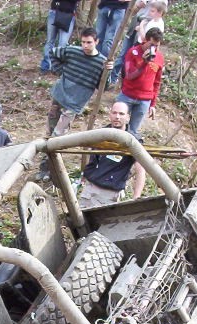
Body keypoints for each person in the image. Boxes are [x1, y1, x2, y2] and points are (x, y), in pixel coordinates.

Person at [38, 27, 111, 180]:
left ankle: (51, 170)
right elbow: (53, 52)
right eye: (83, 42)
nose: (85, 45)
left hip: (74, 104)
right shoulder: (72, 51)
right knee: (50, 132)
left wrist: (108, 72)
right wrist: (60, 70)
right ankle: (44, 169)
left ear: (96, 42)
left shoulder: (101, 62)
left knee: (58, 137)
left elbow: (104, 86)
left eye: (89, 42)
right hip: (59, 96)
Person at [78, 101, 145, 208]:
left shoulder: (133, 141)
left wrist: (136, 197)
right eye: (114, 113)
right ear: (110, 115)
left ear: (128, 117)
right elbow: (92, 158)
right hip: (89, 189)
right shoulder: (101, 134)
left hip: (110, 193)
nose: (117, 117)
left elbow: (140, 169)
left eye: (121, 114)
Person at [117, 27, 164, 137]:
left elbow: (157, 82)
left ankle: (126, 154)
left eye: (157, 45)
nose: (154, 48)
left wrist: (153, 104)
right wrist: (143, 62)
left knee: (133, 132)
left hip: (145, 99)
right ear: (145, 40)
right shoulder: (133, 52)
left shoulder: (160, 58)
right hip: (127, 95)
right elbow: (129, 75)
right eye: (152, 44)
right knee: (117, 127)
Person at [40, 0, 81, 74]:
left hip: (68, 14)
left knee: (63, 44)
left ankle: (58, 68)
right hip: (54, 11)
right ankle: (46, 66)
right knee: (50, 41)